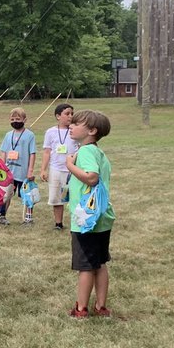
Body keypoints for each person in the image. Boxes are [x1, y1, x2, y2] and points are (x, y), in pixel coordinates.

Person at [66, 109, 115, 319]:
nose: (70, 126)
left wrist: (69, 165)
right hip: (102, 218)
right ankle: (101, 306)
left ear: (92, 131)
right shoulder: (98, 152)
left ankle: (81, 309)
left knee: (86, 266)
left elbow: (92, 177)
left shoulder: (85, 152)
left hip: (86, 220)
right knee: (100, 263)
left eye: (76, 124)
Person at [40, 103, 77, 231]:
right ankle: (58, 223)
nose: (70, 116)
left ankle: (77, 223)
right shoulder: (50, 132)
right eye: (67, 114)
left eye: (72, 113)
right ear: (58, 116)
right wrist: (43, 169)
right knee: (56, 198)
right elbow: (47, 151)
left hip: (72, 170)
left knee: (75, 196)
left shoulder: (75, 130)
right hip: (56, 168)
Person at [0, 107, 37, 226]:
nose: (15, 121)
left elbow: (32, 153)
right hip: (10, 172)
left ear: (24, 120)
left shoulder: (30, 135)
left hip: (23, 172)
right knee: (7, 195)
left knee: (27, 195)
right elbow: (3, 151)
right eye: (13, 119)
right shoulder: (8, 135)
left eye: (18, 119)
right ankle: (2, 215)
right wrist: (2, 167)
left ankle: (28, 218)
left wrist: (30, 170)